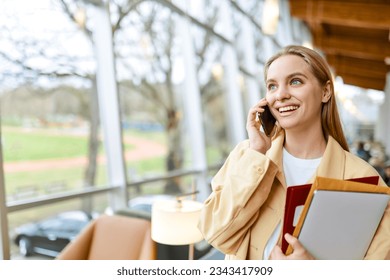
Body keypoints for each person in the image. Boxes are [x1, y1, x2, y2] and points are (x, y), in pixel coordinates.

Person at [198, 45, 390, 260]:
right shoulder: (248, 155)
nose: (280, 95)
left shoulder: (364, 179)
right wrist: (257, 155)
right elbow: (215, 234)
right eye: (272, 86)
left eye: (295, 81)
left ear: (325, 92)